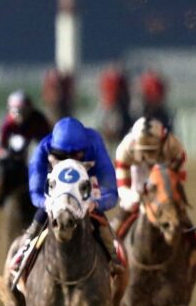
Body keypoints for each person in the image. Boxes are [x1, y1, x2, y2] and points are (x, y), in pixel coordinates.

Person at [13, 117, 121, 274]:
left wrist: (96, 204)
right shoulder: (42, 150)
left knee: (99, 220)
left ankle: (113, 258)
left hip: (85, 184)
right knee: (42, 216)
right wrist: (47, 204)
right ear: (52, 150)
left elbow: (111, 193)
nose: (69, 161)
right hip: (56, 188)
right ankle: (23, 253)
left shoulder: (95, 145)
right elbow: (35, 193)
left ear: (84, 150)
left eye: (76, 155)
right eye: (62, 155)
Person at [114, 116, 188, 237]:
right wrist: (136, 197)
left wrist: (172, 198)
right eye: (145, 151)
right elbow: (122, 187)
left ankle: (192, 246)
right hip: (138, 173)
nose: (149, 156)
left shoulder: (174, 148)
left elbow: (179, 180)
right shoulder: (124, 150)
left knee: (180, 213)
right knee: (125, 209)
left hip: (164, 172)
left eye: (152, 151)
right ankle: (112, 244)